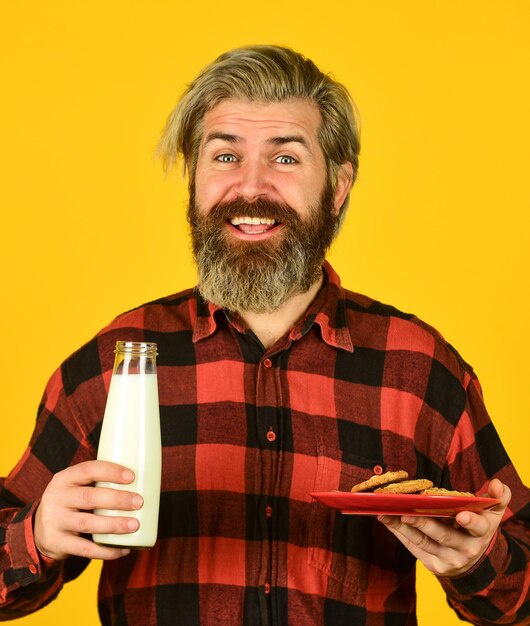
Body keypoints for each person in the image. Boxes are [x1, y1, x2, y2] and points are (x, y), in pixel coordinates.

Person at [0, 45, 528, 626]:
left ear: (339, 185)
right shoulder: (116, 362)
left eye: (285, 159)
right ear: (195, 179)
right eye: (225, 156)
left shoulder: (418, 368)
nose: (249, 188)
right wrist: (38, 536)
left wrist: (478, 560)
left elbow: (518, 586)